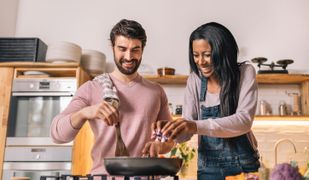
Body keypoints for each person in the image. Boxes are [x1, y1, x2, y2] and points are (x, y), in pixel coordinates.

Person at [50, 19, 173, 176]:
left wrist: (161, 145)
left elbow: (169, 138)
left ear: (142, 49)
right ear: (112, 47)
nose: (128, 57)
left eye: (135, 50)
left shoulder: (156, 92)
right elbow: (57, 134)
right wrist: (86, 112)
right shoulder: (92, 88)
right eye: (122, 49)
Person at [153, 22, 260, 179]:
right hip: (208, 168)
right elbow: (187, 131)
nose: (201, 61)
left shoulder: (244, 72)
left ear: (223, 52)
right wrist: (170, 132)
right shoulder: (195, 80)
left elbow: (244, 120)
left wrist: (194, 126)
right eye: (196, 55)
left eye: (207, 54)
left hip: (244, 165)